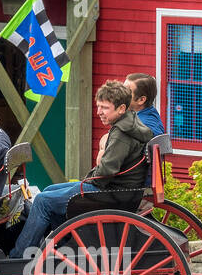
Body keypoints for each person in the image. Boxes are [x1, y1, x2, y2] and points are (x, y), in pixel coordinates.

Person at [8, 80, 152, 259]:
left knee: (43, 201)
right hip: (120, 190)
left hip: (109, 193)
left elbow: (106, 171)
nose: (99, 112)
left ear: (121, 108)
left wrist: (87, 179)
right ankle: (65, 244)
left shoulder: (122, 134)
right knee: (50, 190)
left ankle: (18, 256)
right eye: (98, 106)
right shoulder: (129, 123)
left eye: (105, 108)